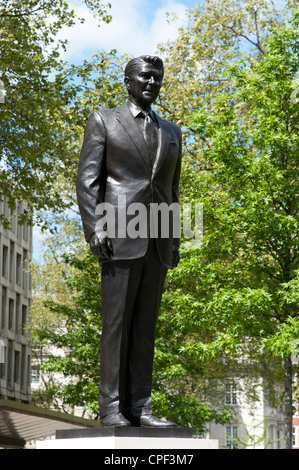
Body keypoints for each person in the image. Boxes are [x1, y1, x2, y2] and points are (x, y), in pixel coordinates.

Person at [76, 55, 182, 427]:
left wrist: (175, 237)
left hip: (158, 237)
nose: (153, 82)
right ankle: (111, 408)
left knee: (145, 327)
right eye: (146, 76)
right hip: (118, 233)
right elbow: (88, 179)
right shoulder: (104, 120)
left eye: (158, 77)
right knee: (117, 325)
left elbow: (172, 188)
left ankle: (142, 407)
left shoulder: (172, 132)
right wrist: (95, 229)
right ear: (128, 81)